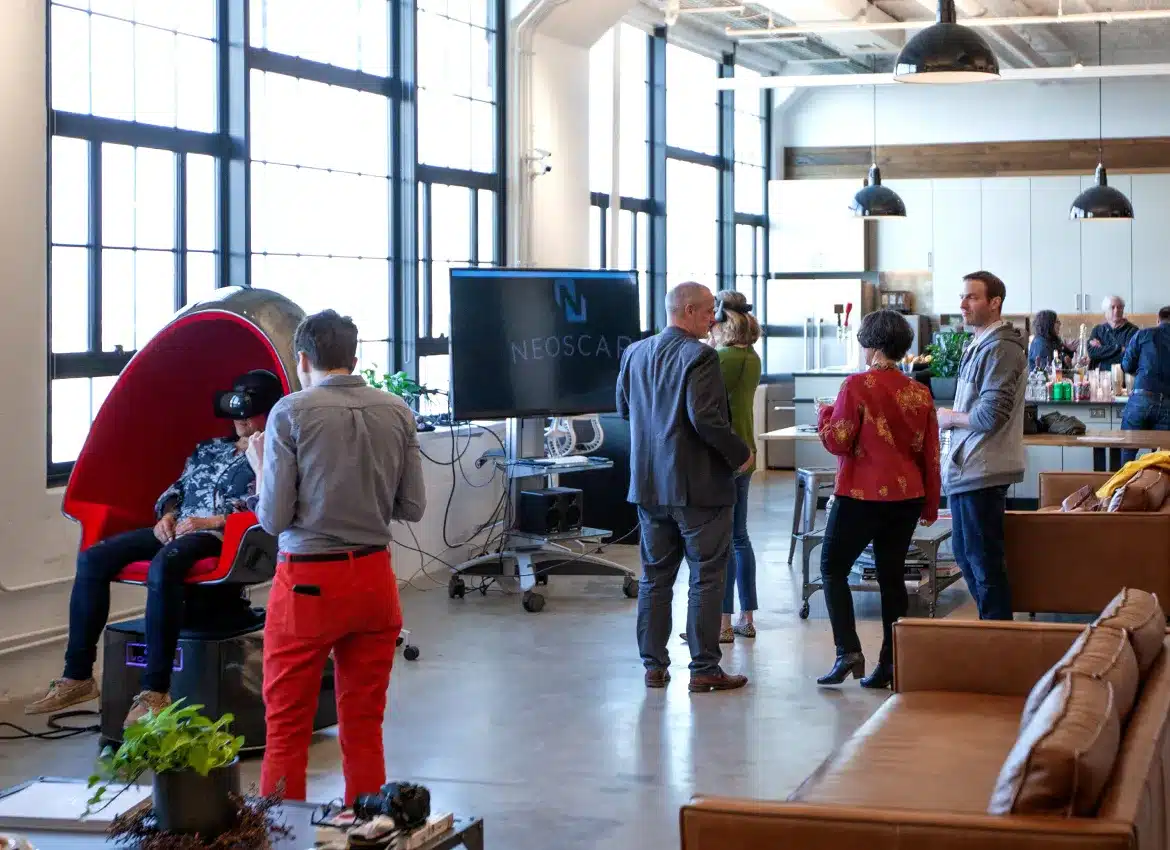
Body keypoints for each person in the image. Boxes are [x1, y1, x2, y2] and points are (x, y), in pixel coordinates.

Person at [25, 370, 285, 726]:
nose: (240, 418)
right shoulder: (209, 448)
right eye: (235, 408)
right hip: (179, 528)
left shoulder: (273, 455)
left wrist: (212, 522)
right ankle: (78, 676)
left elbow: (270, 508)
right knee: (95, 558)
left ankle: (155, 692)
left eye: (250, 410)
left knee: (164, 566)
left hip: (221, 537)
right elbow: (177, 488)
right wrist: (167, 515)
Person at [249, 310, 426, 805]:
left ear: (303, 359)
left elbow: (273, 519)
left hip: (308, 586)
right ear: (354, 357)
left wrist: (261, 468)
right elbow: (412, 506)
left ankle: (282, 832)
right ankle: (367, 826)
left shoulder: (290, 412)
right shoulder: (397, 410)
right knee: (365, 724)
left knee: (287, 726)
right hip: (374, 581)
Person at [617, 282, 752, 694]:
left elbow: (624, 409)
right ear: (689, 311)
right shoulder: (700, 355)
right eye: (709, 310)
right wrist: (740, 454)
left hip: (649, 486)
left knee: (654, 578)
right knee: (706, 577)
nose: (714, 319)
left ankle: (653, 668)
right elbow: (706, 419)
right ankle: (704, 668)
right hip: (698, 489)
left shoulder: (635, 353)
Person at [814, 310, 940, 690]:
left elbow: (838, 440)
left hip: (861, 493)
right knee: (891, 575)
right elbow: (931, 453)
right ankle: (891, 662)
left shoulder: (856, 385)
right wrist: (930, 503)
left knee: (832, 568)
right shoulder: (919, 392)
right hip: (907, 496)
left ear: (870, 345)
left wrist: (824, 414)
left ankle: (848, 651)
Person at [938, 271, 1028, 621]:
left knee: (983, 562)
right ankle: (993, 632)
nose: (963, 304)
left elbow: (990, 415)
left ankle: (999, 636)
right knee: (967, 556)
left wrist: (949, 418)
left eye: (972, 297)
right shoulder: (981, 344)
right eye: (962, 297)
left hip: (984, 468)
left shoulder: (1002, 348)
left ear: (995, 303)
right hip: (968, 467)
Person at [710, 291, 762, 642]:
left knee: (723, 541)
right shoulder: (752, 357)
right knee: (740, 537)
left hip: (723, 455)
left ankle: (723, 624)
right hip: (747, 452)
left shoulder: (720, 359)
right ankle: (747, 617)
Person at [1119, 306, 1170, 463]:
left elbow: (1126, 365)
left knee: (1128, 451)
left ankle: (1124, 479)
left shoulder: (1143, 334)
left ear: (1158, 320)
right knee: (1161, 459)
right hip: (1168, 404)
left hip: (1141, 399)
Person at [1089, 295, 1139, 371]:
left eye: (1119, 307)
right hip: (1099, 376)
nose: (1116, 310)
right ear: (1105, 311)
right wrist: (1119, 349)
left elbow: (1128, 358)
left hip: (1122, 375)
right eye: (1112, 307)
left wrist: (1102, 349)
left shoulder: (1132, 330)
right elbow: (1092, 353)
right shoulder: (1097, 330)